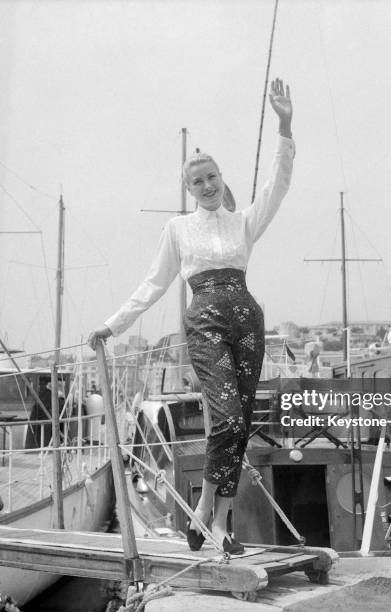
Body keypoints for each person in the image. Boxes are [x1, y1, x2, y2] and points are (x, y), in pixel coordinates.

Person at [88, 78, 294, 554]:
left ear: (222, 178)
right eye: (197, 181)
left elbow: (279, 183)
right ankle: (203, 507)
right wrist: (113, 325)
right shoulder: (178, 228)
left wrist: (284, 123)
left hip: (247, 320)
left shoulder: (244, 221)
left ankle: (220, 523)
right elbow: (155, 283)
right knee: (224, 417)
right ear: (188, 188)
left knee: (239, 421)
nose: (207, 185)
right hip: (205, 321)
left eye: (212, 177)